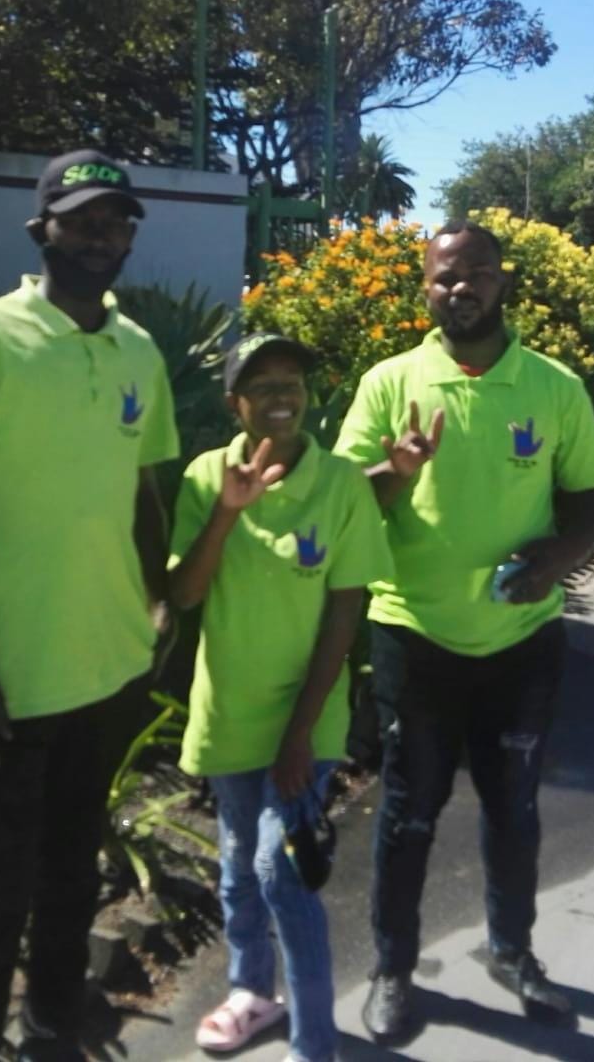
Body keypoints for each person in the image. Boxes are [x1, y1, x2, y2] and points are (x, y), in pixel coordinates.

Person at [0, 149, 179, 1062]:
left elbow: (143, 494)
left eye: (116, 222)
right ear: (41, 229)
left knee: (71, 872)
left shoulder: (138, 350)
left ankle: (53, 1029)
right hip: (7, 678)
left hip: (107, 664)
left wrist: (161, 602)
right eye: (83, 219)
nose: (102, 236)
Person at [333, 221, 594, 1040]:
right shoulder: (389, 382)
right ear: (425, 287)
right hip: (413, 633)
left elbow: (592, 493)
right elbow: (346, 499)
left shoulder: (552, 386)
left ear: (502, 280)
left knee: (512, 809)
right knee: (407, 814)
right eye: (443, 277)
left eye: (476, 274)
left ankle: (511, 951)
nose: (459, 288)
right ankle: (392, 969)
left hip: (521, 642)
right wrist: (394, 469)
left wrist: (557, 556)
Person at [169, 333, 391, 1062]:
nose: (280, 397)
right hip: (228, 711)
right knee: (237, 863)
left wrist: (300, 732)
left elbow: (345, 611)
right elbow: (184, 593)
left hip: (308, 717)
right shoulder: (207, 475)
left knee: (279, 870)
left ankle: (315, 1042)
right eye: (261, 385)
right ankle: (251, 992)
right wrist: (227, 511)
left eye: (291, 382)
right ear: (234, 402)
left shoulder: (341, 484)